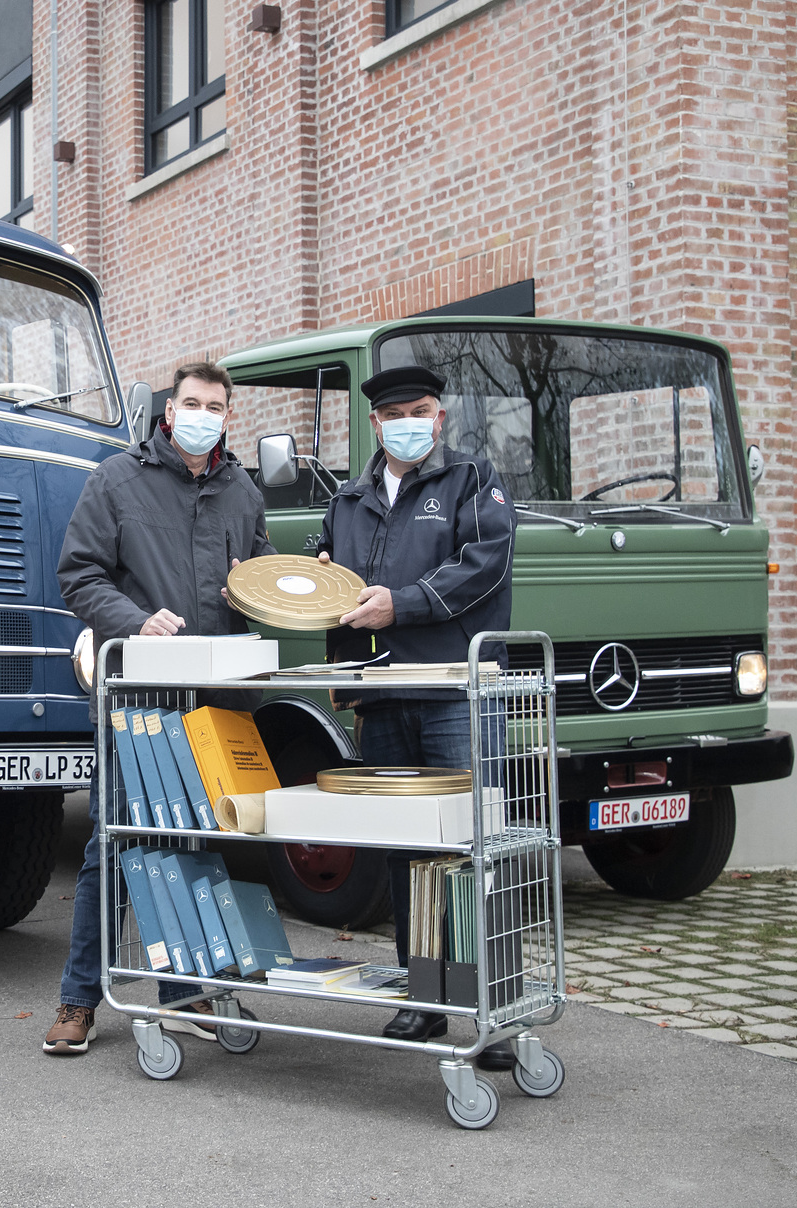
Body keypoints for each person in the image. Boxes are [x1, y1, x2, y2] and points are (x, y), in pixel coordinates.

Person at [41, 361, 277, 1056]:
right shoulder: (116, 481)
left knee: (199, 843)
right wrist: (134, 620)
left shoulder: (244, 494)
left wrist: (267, 592)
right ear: (168, 411)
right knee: (111, 846)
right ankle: (79, 999)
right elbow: (77, 574)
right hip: (137, 700)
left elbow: (257, 585)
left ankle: (183, 995)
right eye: (191, 402)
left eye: (216, 405)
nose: (203, 414)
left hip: (214, 704)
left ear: (227, 416)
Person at [313, 364, 519, 1071]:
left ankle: (495, 1009)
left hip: (453, 694)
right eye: (395, 412)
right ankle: (425, 995)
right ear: (375, 423)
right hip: (383, 697)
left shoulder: (472, 480)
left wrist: (403, 604)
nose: (410, 421)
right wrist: (342, 668)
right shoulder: (346, 500)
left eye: (423, 409)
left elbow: (485, 565)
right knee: (406, 853)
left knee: (473, 847)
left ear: (440, 416)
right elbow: (333, 587)